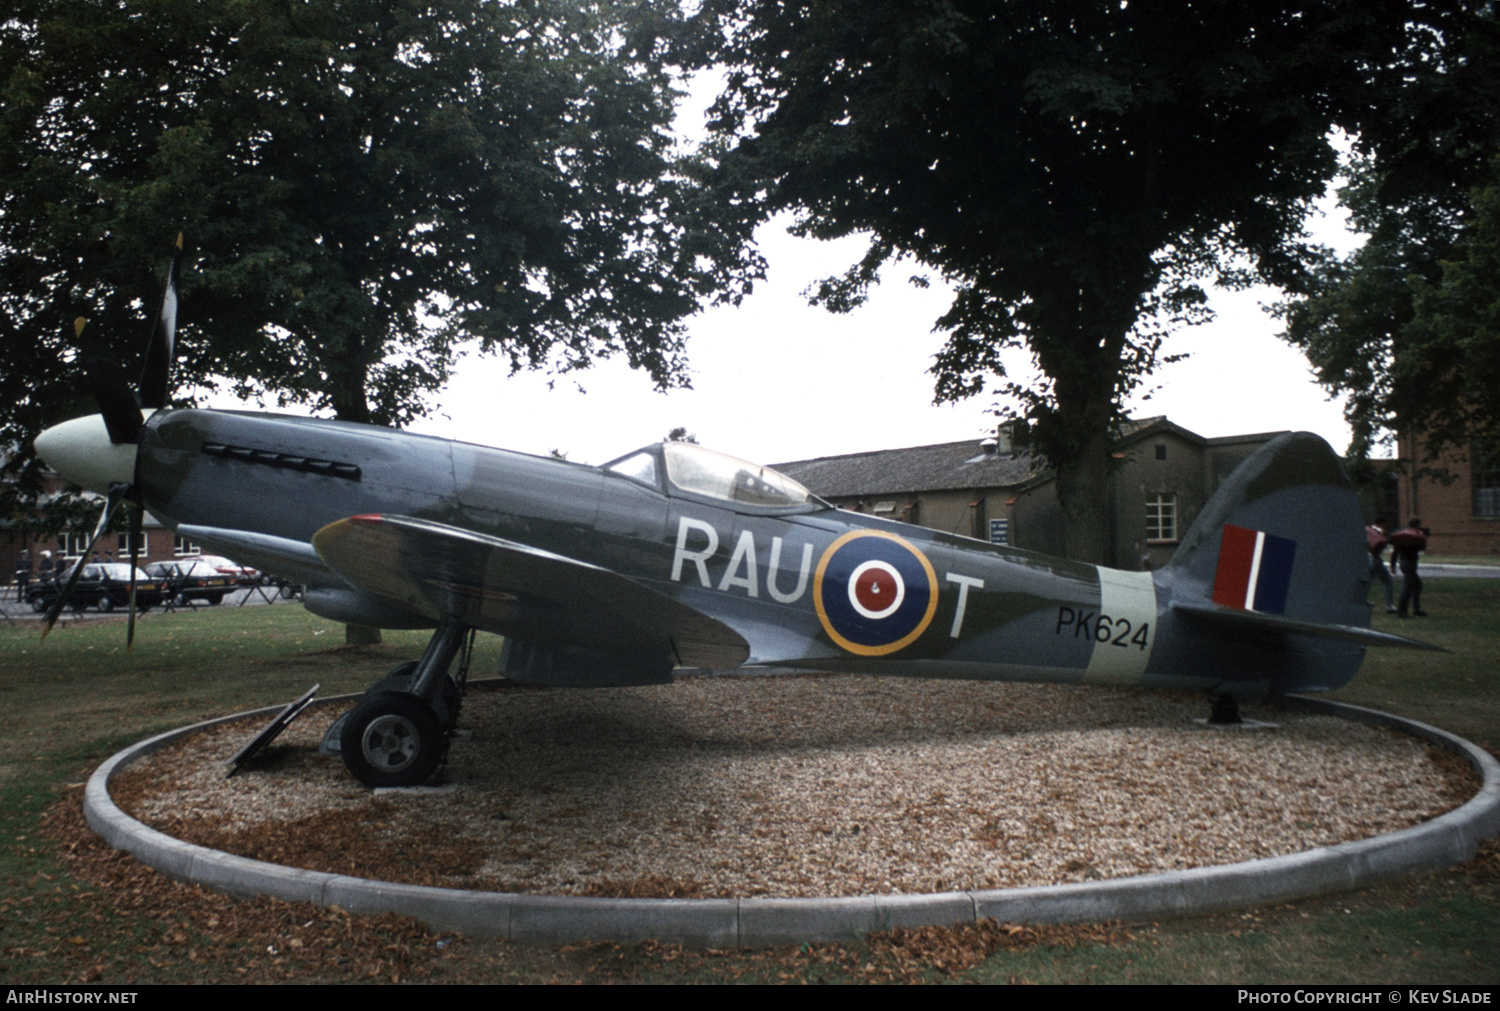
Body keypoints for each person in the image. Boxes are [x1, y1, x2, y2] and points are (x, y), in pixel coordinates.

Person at [1389, 517, 1429, 617]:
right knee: (1407, 587)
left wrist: (1393, 565)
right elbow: (1421, 547)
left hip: (1403, 562)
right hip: (1410, 562)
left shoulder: (1402, 535)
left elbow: (1395, 551)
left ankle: (1416, 608)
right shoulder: (1414, 536)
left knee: (1416, 585)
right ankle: (1402, 611)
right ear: (1416, 525)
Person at [1365, 518, 1396, 613]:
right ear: (1382, 523)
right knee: (1387, 581)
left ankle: (1362, 601)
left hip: (1367, 558)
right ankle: (1389, 605)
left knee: (1367, 581)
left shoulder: (1367, 530)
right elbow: (1381, 544)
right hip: (1375, 559)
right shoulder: (1379, 531)